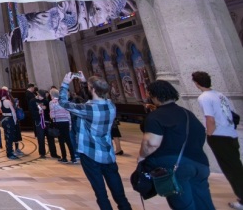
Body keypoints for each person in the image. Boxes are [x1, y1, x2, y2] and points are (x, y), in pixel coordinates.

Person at [59, 72, 132, 210]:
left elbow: (63, 102)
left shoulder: (88, 109)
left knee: (101, 194)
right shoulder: (110, 105)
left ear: (92, 89)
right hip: (108, 153)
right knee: (119, 193)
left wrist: (65, 83)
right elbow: (93, 98)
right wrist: (85, 83)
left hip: (90, 153)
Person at [138, 80, 215, 210]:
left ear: (153, 95)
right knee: (203, 202)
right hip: (200, 163)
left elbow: (151, 143)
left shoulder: (155, 117)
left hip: (176, 167)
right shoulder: (187, 113)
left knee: (183, 204)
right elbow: (201, 133)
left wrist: (141, 157)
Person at [192, 71, 242, 210]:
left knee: (231, 170)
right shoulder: (219, 94)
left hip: (219, 136)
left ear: (196, 83)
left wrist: (209, 134)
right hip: (231, 134)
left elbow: (210, 119)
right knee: (236, 167)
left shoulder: (204, 97)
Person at [49, 87, 76, 164]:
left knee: (61, 140)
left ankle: (64, 157)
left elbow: (52, 115)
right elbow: (68, 113)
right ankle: (73, 157)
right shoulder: (64, 101)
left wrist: (53, 117)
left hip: (58, 122)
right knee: (68, 140)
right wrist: (70, 124)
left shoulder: (52, 102)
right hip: (66, 121)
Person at [0, 88, 19, 160]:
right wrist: (15, 120)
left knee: (7, 136)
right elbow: (13, 111)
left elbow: (1, 110)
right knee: (10, 137)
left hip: (4, 119)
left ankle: (8, 151)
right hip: (9, 119)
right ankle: (10, 153)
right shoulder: (8, 101)